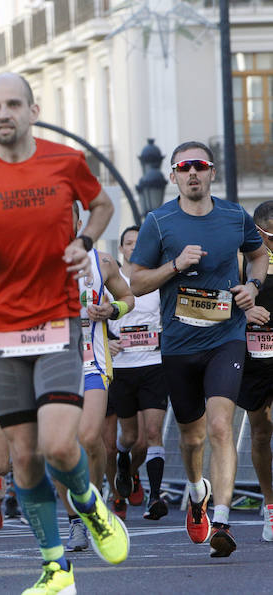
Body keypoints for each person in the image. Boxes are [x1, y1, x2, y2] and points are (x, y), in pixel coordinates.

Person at [0, 72, 127, 594]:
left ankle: (89, 504)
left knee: (61, 445)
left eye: (13, 104)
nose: (3, 113)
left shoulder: (65, 161)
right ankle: (56, 568)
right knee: (23, 455)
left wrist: (85, 239)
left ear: (32, 110)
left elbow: (102, 204)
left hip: (56, 319)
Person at [129, 141, 267, 557]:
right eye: (184, 167)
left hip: (225, 337)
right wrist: (175, 265)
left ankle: (222, 522)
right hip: (178, 343)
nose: (193, 173)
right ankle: (197, 491)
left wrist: (252, 288)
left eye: (200, 166)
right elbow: (136, 282)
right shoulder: (158, 221)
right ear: (173, 175)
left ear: (211, 173)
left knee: (222, 426)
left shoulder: (233, 216)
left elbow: (259, 255)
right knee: (192, 438)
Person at [62, 203, 134, 551]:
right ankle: (77, 520)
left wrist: (111, 310)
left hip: (92, 359)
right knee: (60, 447)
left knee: (90, 437)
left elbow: (127, 297)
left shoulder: (102, 261)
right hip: (53, 363)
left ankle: (92, 501)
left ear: (78, 223)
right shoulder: (34, 262)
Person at [107, 225, 170, 522]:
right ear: (121, 249)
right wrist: (107, 341)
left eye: (138, 242)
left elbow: (169, 316)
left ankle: (155, 497)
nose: (134, 247)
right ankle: (124, 464)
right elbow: (95, 319)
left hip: (153, 365)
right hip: (122, 368)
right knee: (130, 437)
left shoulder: (155, 279)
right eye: (128, 243)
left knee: (152, 436)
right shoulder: (111, 280)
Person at [239, 200, 273, 541]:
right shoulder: (242, 260)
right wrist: (244, 314)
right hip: (253, 356)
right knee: (261, 432)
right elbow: (220, 299)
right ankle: (270, 504)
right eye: (269, 236)